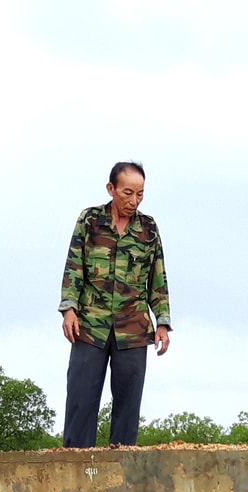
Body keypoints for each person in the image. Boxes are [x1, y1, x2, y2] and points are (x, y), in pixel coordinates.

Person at [59, 161, 171, 448]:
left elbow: (157, 276)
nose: (134, 201)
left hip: (133, 328)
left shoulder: (148, 228)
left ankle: (121, 477)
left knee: (128, 407)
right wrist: (69, 309)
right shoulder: (90, 220)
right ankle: (76, 472)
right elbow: (74, 267)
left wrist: (162, 323)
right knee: (81, 400)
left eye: (140, 194)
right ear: (111, 189)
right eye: (128, 193)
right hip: (89, 325)